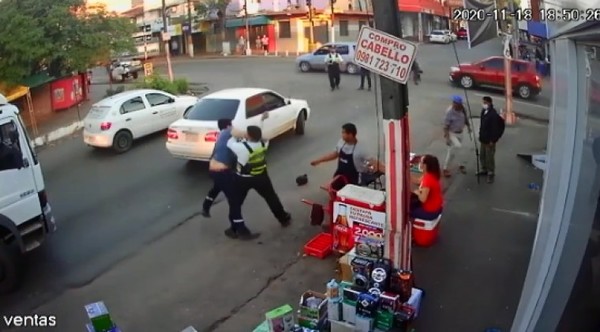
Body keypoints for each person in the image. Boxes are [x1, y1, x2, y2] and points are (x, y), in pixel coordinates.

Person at [227, 126, 292, 234]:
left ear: (248, 135)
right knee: (271, 197)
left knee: (236, 203)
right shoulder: (264, 144)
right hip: (261, 176)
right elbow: (265, 137)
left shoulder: (242, 147)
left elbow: (229, 142)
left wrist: (239, 133)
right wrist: (249, 134)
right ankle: (283, 219)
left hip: (243, 179)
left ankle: (234, 228)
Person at [310, 123, 377, 186]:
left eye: (343, 133)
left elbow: (373, 162)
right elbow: (335, 154)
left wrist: (385, 169)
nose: (342, 135)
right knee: (335, 189)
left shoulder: (360, 149)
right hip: (340, 174)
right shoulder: (341, 142)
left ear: (350, 134)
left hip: (354, 178)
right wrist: (318, 160)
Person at [202, 119, 235, 217]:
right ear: (228, 126)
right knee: (233, 197)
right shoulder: (226, 135)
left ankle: (205, 207)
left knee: (216, 188)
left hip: (217, 170)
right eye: (231, 125)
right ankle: (237, 225)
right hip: (221, 171)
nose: (233, 127)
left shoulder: (221, 137)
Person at [442, 95, 471, 177]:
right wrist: (447, 138)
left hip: (460, 133)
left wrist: (468, 127)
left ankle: (460, 165)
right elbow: (445, 126)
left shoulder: (463, 108)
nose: (456, 105)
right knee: (456, 147)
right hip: (452, 133)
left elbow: (465, 118)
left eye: (458, 103)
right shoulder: (449, 112)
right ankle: (445, 168)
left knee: (456, 151)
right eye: (455, 103)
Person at [478, 96, 505, 183]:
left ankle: (490, 172)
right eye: (483, 102)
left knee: (489, 157)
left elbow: (494, 129)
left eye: (485, 103)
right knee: (482, 155)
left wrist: (492, 140)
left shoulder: (493, 115)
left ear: (489, 103)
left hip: (489, 140)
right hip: (483, 139)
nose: (483, 104)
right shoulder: (484, 111)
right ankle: (484, 169)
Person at [410, 155, 444, 220]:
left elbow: (423, 199)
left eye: (421, 162)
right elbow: (417, 181)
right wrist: (406, 173)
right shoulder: (431, 174)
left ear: (425, 165)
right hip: (437, 207)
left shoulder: (428, 179)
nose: (419, 163)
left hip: (430, 211)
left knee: (406, 211)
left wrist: (417, 192)